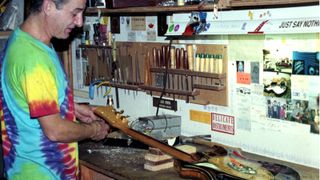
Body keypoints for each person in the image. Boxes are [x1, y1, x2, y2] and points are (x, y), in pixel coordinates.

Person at [0, 0, 110, 179]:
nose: (79, 22)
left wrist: (71, 107)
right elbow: (55, 130)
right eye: (75, 12)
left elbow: (30, 98)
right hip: (41, 173)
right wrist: (93, 130)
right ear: (48, 6)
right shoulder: (33, 60)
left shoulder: (26, 40)